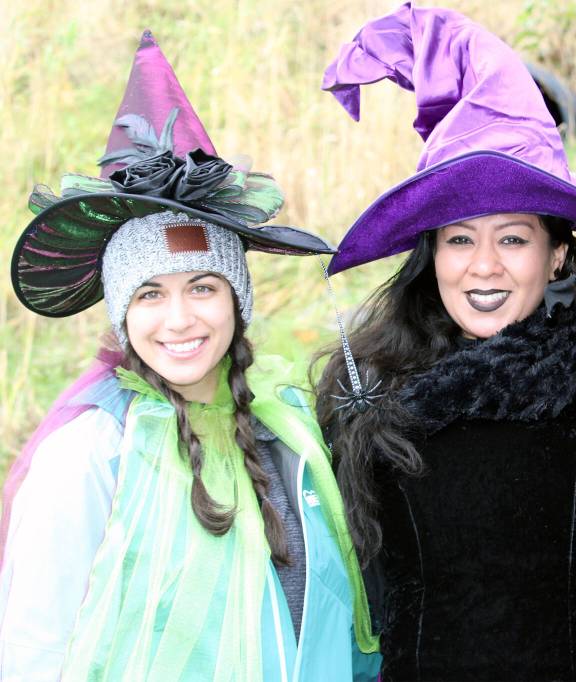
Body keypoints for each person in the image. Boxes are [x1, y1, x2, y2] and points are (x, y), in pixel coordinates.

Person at [317, 5, 576, 680]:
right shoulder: (367, 386)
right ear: (431, 256)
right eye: (460, 238)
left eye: (512, 238)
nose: (483, 265)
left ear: (558, 259)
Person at [0, 31, 380, 680]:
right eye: (149, 293)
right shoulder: (93, 454)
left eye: (203, 287)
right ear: (121, 312)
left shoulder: (290, 427)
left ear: (239, 300)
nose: (180, 320)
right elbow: (33, 648)